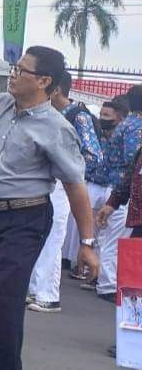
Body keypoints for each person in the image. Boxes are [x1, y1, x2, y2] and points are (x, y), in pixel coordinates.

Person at [0, 46, 99, 370]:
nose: (12, 74)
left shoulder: (57, 128)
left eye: (20, 70)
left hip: (24, 221)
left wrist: (87, 243)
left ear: (43, 81)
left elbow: (75, 185)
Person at [32, 69, 102, 309]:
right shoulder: (50, 113)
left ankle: (48, 295)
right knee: (40, 236)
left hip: (63, 185)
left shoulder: (78, 116)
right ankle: (35, 289)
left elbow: (94, 155)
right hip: (46, 184)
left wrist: (66, 165)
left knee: (53, 238)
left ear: (57, 89)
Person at [90, 91, 142, 302]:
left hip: (117, 191)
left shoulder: (128, 123)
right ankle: (108, 285)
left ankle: (106, 282)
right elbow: (133, 164)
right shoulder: (136, 127)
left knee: (111, 241)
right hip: (123, 193)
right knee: (117, 242)